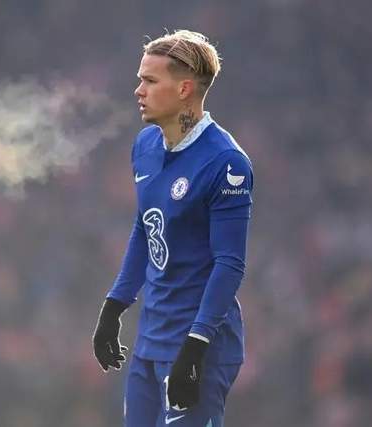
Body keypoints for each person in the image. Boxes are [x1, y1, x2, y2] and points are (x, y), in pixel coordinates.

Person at [93, 30, 254, 427]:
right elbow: (147, 226)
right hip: (151, 340)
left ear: (184, 89)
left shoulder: (226, 163)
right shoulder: (145, 145)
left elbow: (230, 263)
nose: (138, 90)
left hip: (198, 347)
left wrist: (196, 345)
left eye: (150, 80)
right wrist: (114, 306)